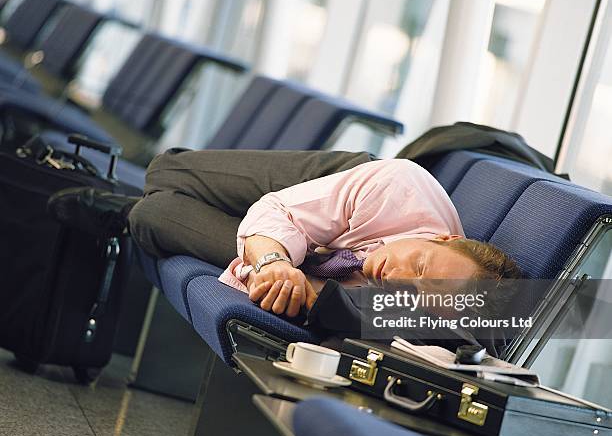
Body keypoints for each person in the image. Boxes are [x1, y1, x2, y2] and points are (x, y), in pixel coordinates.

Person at [49, 148, 522, 318]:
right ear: (440, 238)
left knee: (155, 217)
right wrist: (275, 262)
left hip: (314, 255)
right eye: (416, 264)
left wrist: (291, 281)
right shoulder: (398, 187)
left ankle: (126, 212)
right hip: (328, 191)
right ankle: (133, 199)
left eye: (413, 292)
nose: (396, 276)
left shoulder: (409, 314)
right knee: (166, 171)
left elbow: (317, 304)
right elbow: (278, 212)